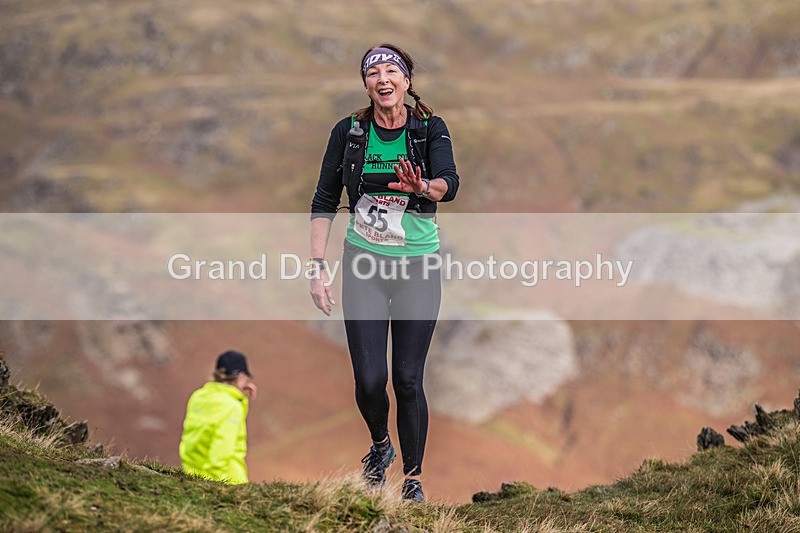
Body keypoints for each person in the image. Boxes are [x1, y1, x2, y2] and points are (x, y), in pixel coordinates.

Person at [309, 44, 459, 502]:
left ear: (406, 82)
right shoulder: (349, 133)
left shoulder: (429, 129)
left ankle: (413, 480)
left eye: (392, 70)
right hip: (364, 264)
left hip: (417, 265)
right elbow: (324, 200)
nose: (383, 78)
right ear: (366, 85)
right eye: (373, 73)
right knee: (370, 380)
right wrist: (317, 268)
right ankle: (380, 446)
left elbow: (449, 184)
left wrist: (423, 186)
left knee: (408, 380)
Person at [179, 350, 257, 484]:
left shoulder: (198, 396)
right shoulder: (232, 406)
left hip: (192, 473)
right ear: (241, 376)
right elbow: (222, 448)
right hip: (227, 480)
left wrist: (239, 396)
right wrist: (214, 484)